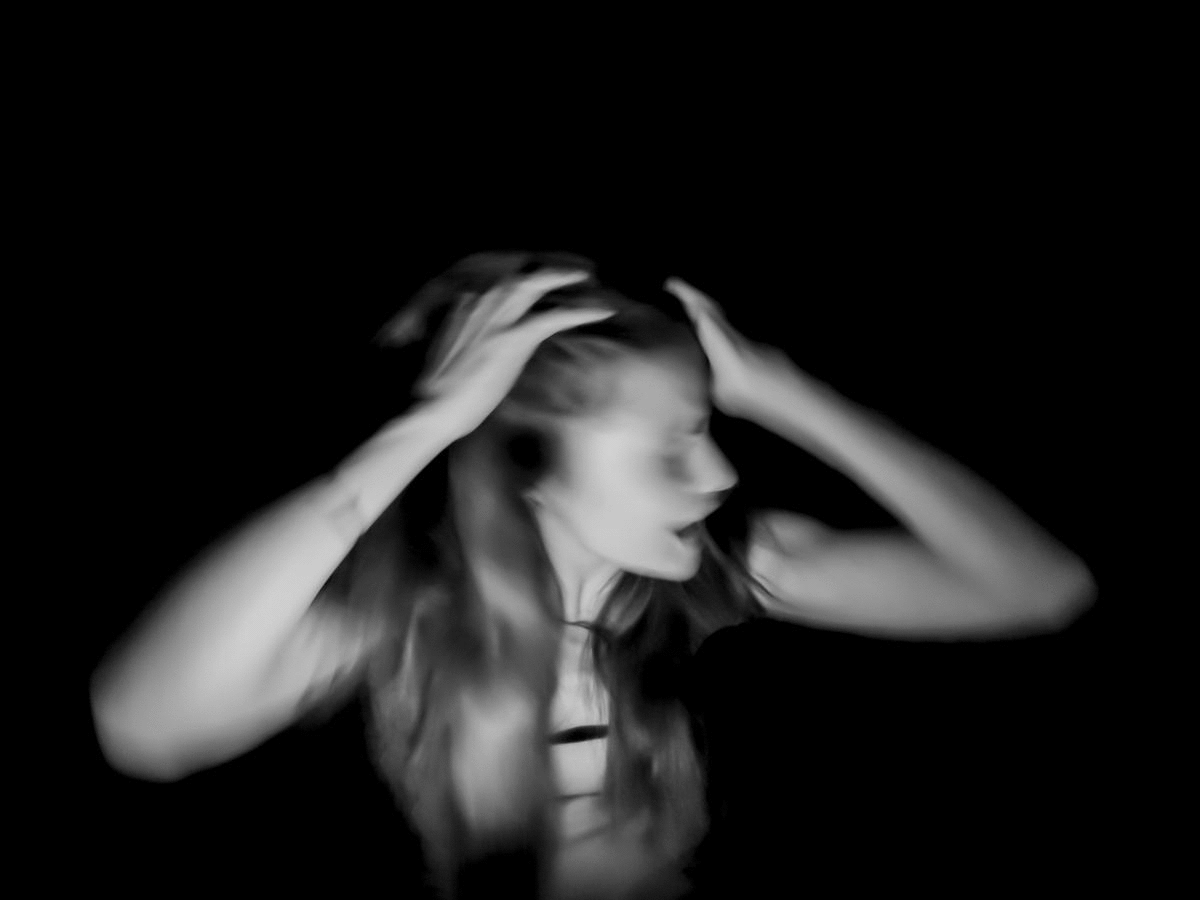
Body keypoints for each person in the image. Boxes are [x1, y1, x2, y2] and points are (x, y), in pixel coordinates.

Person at [88, 251, 1096, 899]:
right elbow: (144, 726)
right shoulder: (400, 615)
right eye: (670, 447)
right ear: (531, 471)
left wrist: (791, 395)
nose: (720, 472)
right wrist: (427, 428)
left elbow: (1038, 589)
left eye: (711, 430)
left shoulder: (721, 573)